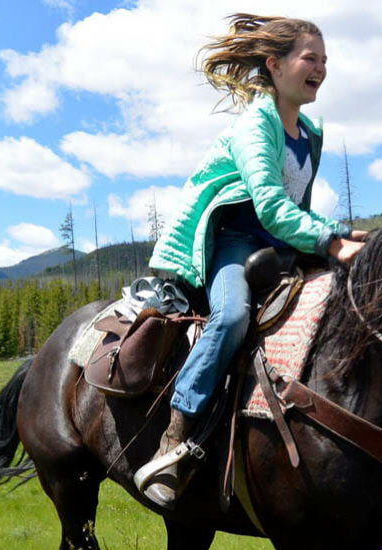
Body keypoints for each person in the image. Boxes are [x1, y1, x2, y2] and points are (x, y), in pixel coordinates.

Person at [134, 14, 368, 509]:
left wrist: (342, 234)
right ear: (274, 64)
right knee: (234, 315)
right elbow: (270, 205)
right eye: (310, 58)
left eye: (325, 60)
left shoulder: (309, 131)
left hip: (283, 241)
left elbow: (295, 209)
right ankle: (174, 438)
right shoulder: (254, 125)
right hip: (236, 239)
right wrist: (330, 243)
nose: (321, 68)